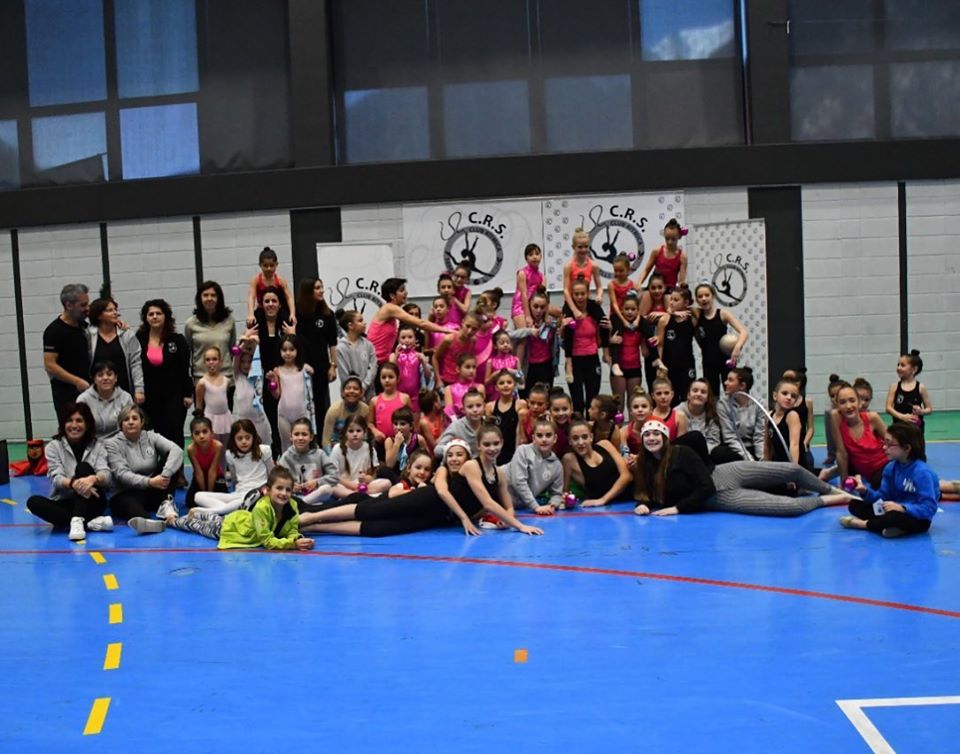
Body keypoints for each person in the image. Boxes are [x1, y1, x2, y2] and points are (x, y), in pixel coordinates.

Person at [297, 426, 544, 537]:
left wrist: (506, 519)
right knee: (372, 510)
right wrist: (520, 526)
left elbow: (506, 504)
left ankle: (316, 528)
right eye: (487, 444)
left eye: (496, 444)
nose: (492, 448)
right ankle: (310, 517)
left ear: (502, 444)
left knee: (379, 530)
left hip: (437, 517)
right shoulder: (471, 466)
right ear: (478, 446)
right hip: (428, 500)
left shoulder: (499, 473)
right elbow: (487, 502)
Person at [633, 420, 854, 517]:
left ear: (665, 437)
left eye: (656, 434)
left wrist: (678, 508)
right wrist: (642, 505)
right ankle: (829, 500)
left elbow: (705, 485)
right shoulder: (644, 467)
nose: (652, 438)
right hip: (718, 498)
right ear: (642, 441)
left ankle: (831, 489)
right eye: (647, 435)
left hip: (725, 473)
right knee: (789, 508)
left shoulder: (681, 452)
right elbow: (648, 495)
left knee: (790, 470)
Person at [147, 466, 315, 552]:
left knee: (211, 518)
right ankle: (171, 519)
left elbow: (292, 529)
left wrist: (297, 538)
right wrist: (292, 544)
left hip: (234, 521)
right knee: (195, 526)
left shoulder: (292, 506)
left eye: (288, 490)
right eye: (279, 488)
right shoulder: (262, 508)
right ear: (267, 490)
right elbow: (267, 541)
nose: (284, 493)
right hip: (228, 530)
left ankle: (197, 513)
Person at [26, 402, 113, 541]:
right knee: (33, 502)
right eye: (69, 421)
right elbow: (56, 478)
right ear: (63, 424)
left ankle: (77, 520)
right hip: (66, 500)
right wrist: (73, 484)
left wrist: (93, 479)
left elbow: (106, 474)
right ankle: (89, 523)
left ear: (87, 424)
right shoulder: (53, 447)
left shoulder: (97, 445)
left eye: (79, 420)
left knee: (83, 467)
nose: (74, 425)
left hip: (93, 500)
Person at [840, 422, 939, 537]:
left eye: (889, 444)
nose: (884, 447)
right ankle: (895, 528)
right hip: (892, 509)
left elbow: (929, 508)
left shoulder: (922, 473)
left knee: (893, 517)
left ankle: (864, 524)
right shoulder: (890, 468)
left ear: (906, 448)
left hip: (917, 518)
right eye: (884, 443)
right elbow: (882, 497)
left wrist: (903, 508)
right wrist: (865, 491)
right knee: (855, 505)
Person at [106, 405, 183, 529]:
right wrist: (150, 482)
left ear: (142, 422)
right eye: (126, 419)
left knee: (171, 459)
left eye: (134, 418)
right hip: (126, 492)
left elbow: (177, 450)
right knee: (133, 509)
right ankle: (149, 523)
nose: (131, 422)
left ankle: (165, 503)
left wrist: (165, 475)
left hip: (151, 490)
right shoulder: (112, 444)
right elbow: (122, 474)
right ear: (121, 424)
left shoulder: (151, 436)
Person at [136, 299, 193, 455]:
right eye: (151, 314)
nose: (155, 317)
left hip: (174, 396)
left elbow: (185, 369)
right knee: (154, 434)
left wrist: (188, 393)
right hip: (149, 397)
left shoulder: (177, 340)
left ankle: (177, 467)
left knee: (174, 431)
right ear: (145, 318)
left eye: (158, 313)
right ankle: (158, 467)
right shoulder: (139, 340)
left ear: (165, 316)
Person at [190, 419, 273, 516]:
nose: (244, 441)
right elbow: (234, 479)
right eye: (240, 438)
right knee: (198, 496)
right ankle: (230, 510)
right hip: (239, 494)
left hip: (258, 493)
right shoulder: (230, 455)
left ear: (253, 437)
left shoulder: (264, 450)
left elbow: (272, 474)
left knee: (245, 500)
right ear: (234, 440)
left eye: (247, 437)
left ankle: (211, 511)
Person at [367, 277, 451, 367]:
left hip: (381, 362)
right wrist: (448, 331)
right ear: (392, 296)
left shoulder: (392, 313)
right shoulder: (389, 308)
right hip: (372, 363)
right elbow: (422, 323)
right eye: (402, 290)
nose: (406, 293)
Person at [43, 283, 92, 420]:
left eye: (87, 304)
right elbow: (50, 365)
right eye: (83, 305)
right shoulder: (54, 331)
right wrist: (77, 381)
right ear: (69, 305)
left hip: (88, 390)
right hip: (67, 394)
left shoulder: (84, 327)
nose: (87, 309)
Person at [562, 277, 610, 415]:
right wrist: (562, 327)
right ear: (572, 295)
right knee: (578, 402)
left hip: (592, 359)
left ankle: (591, 425)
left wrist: (606, 350)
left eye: (582, 293)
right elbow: (563, 338)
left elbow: (603, 331)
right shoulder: (568, 309)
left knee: (592, 401)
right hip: (574, 360)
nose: (579, 297)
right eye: (576, 294)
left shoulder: (594, 309)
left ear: (588, 293)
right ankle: (578, 425)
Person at [831, 384, 892, 489]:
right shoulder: (837, 420)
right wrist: (843, 483)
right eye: (842, 402)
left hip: (883, 466)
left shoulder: (872, 418)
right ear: (838, 406)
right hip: (862, 469)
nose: (848, 406)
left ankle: (830, 472)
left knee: (878, 485)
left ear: (859, 403)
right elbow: (841, 453)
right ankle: (830, 472)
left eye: (852, 400)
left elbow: (893, 442)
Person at [561, 419, 632, 507]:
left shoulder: (605, 445)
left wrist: (603, 500)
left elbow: (627, 476)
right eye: (575, 438)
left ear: (591, 437)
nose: (581, 442)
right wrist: (566, 499)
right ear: (569, 441)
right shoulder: (569, 460)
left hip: (631, 498)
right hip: (604, 509)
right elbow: (564, 492)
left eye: (584, 437)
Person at [85, 297, 143, 403]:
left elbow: (135, 363)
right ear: (99, 315)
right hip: (97, 394)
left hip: (124, 391)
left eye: (115, 310)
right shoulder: (89, 335)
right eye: (110, 310)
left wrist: (139, 390)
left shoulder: (127, 335)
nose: (116, 313)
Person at [693, 283, 748, 397]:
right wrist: (672, 310)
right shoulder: (697, 315)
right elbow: (679, 305)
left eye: (707, 295)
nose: (704, 298)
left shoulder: (723, 314)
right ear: (697, 300)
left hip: (726, 361)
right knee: (712, 396)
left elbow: (744, 332)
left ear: (713, 296)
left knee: (732, 393)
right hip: (708, 362)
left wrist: (737, 348)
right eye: (700, 296)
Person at [296, 277, 338, 422]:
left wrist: (333, 366)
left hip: (321, 366)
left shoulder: (327, 314)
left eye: (322, 287)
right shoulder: (297, 313)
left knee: (320, 404)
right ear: (308, 291)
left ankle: (321, 434)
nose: (321, 291)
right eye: (317, 288)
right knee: (302, 403)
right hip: (301, 365)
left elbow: (332, 343)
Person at [266, 334, 315, 453]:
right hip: (284, 414)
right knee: (286, 446)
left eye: (292, 349)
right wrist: (272, 382)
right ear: (280, 352)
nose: (288, 353)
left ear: (297, 350)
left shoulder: (303, 368)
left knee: (303, 445)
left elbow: (312, 373)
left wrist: (310, 371)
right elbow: (276, 395)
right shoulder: (277, 370)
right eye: (284, 350)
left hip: (301, 413)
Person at [507, 417, 563, 515]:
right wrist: (536, 507)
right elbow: (519, 482)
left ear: (555, 438)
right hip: (496, 495)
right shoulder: (523, 450)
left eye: (548, 435)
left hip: (519, 507)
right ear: (533, 438)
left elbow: (557, 494)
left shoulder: (557, 465)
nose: (544, 439)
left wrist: (552, 506)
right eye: (539, 435)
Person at [277, 417, 338, 507]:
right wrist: (291, 486)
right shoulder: (286, 457)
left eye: (304, 434)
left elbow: (335, 476)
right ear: (291, 437)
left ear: (311, 437)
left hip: (317, 495)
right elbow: (278, 480)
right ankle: (303, 504)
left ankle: (301, 505)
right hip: (295, 496)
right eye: (296, 434)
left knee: (327, 489)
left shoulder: (320, 454)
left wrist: (317, 482)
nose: (300, 438)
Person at [327, 414, 391, 498]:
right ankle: (357, 495)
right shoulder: (337, 449)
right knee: (331, 487)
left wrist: (368, 478)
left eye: (358, 431)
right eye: (351, 431)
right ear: (345, 432)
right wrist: (352, 486)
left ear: (364, 432)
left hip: (363, 486)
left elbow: (373, 474)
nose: (355, 434)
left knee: (387, 483)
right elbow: (333, 475)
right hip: (344, 485)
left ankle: (359, 494)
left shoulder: (369, 448)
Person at [184, 281, 237, 382]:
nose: (209, 298)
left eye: (213, 295)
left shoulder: (229, 321)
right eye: (205, 295)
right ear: (200, 298)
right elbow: (188, 352)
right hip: (201, 378)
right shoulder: (190, 324)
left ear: (219, 298)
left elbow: (232, 349)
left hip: (226, 377)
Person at [654, 286, 696, 406]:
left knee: (687, 396)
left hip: (687, 365)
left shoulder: (692, 318)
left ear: (686, 302)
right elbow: (660, 345)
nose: (671, 302)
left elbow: (701, 309)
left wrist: (676, 312)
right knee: (670, 399)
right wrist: (659, 365)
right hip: (669, 365)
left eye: (676, 300)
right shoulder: (664, 320)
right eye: (671, 299)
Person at [714, 367, 766, 464]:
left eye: (730, 380)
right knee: (719, 453)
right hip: (734, 448)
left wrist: (762, 460)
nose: (725, 383)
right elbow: (730, 437)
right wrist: (750, 461)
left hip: (753, 447)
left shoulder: (759, 403)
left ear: (742, 386)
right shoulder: (722, 405)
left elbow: (760, 436)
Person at [232, 331, 273, 448]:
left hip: (260, 422)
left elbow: (260, 357)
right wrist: (244, 343)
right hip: (242, 422)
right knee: (244, 450)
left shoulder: (258, 376)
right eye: (243, 362)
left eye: (249, 362)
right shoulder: (238, 376)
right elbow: (236, 357)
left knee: (263, 450)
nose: (246, 365)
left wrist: (256, 343)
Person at [77, 360, 133, 440]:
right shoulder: (83, 400)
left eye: (109, 374)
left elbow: (131, 425)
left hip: (121, 441)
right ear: (94, 379)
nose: (105, 378)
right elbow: (80, 427)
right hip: (92, 442)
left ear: (116, 378)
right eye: (100, 375)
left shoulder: (126, 397)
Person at [608, 290, 644, 408]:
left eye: (633, 309)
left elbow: (646, 347)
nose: (629, 312)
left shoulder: (641, 325)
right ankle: (618, 421)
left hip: (635, 368)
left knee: (634, 404)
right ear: (621, 310)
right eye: (627, 309)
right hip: (619, 368)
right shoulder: (616, 323)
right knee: (619, 404)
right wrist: (609, 340)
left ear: (638, 311)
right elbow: (602, 341)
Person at [511, 243, 544, 367]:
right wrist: (528, 316)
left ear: (541, 256)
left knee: (530, 340)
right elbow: (524, 295)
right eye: (531, 255)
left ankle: (525, 368)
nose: (534, 257)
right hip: (519, 306)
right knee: (523, 338)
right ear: (526, 258)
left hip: (531, 306)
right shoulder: (522, 273)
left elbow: (542, 296)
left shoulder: (541, 276)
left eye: (537, 254)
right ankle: (517, 370)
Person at [390, 323, 432, 420]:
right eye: (403, 337)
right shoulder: (393, 356)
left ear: (415, 339)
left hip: (415, 397)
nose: (407, 340)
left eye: (410, 337)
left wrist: (424, 363)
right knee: (398, 421)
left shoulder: (418, 355)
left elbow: (428, 376)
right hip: (398, 395)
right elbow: (390, 370)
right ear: (398, 340)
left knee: (415, 424)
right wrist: (396, 357)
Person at [246, 246, 296, 327]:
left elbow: (289, 297)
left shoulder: (280, 280)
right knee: (252, 322)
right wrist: (250, 314)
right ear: (260, 265)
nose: (269, 268)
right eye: (265, 266)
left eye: (272, 265)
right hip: (262, 309)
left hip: (277, 309)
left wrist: (292, 314)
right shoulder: (256, 280)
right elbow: (251, 297)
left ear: (276, 265)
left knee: (289, 321)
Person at [765, 378, 809, 469]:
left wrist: (793, 469)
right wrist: (765, 465)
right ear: (775, 396)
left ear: (795, 402)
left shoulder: (792, 416)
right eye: (784, 393)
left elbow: (794, 445)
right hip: (777, 464)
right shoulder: (769, 416)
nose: (789, 398)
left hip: (794, 464)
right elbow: (767, 445)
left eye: (793, 396)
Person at [184, 416, 227, 509]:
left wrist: (209, 495)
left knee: (224, 500)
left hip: (216, 476)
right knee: (190, 502)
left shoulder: (218, 446)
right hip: (200, 476)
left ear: (212, 433)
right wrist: (204, 494)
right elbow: (198, 472)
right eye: (197, 433)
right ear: (192, 437)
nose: (201, 436)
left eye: (205, 432)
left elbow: (213, 471)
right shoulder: (191, 449)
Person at [885, 350, 932, 435]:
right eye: (898, 365)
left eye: (903, 365)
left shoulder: (921, 387)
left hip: (916, 431)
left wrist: (921, 411)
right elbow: (888, 408)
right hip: (898, 429)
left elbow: (929, 409)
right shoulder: (894, 387)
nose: (899, 368)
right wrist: (902, 417)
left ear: (914, 369)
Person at [485, 370, 525, 465]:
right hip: (496, 450)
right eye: (501, 383)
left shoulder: (520, 404)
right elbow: (488, 432)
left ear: (514, 385)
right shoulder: (490, 407)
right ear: (496, 387)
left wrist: (517, 454)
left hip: (513, 449)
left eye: (509, 382)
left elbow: (520, 432)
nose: (506, 385)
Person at [336, 310, 378, 401]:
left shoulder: (368, 345)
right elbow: (344, 374)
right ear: (350, 325)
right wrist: (355, 389)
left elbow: (373, 367)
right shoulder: (341, 348)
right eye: (360, 321)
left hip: (369, 395)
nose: (364, 323)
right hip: (351, 396)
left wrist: (364, 386)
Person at [195, 346, 232, 445]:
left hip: (225, 418)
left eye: (214, 359)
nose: (211, 362)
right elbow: (199, 406)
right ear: (204, 363)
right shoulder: (202, 383)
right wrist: (200, 423)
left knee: (225, 446)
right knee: (212, 447)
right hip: (210, 419)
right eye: (208, 360)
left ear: (221, 361)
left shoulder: (226, 381)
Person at [636, 218, 687, 290]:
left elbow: (681, 280)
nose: (670, 242)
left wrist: (682, 286)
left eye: (673, 239)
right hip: (655, 288)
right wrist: (639, 283)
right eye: (667, 238)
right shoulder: (657, 251)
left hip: (670, 290)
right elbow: (646, 270)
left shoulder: (682, 257)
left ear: (679, 236)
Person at [563, 228, 603, 318]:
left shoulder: (593, 265)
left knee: (604, 322)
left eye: (586, 246)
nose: (583, 250)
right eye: (580, 247)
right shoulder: (568, 266)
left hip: (586, 301)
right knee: (568, 324)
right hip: (571, 302)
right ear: (573, 247)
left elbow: (599, 287)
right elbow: (566, 290)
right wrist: (574, 310)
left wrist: (599, 296)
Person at [321, 375, 370, 450]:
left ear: (361, 393)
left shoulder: (366, 410)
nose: (351, 391)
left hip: (359, 449)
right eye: (348, 388)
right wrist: (331, 456)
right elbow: (326, 440)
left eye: (356, 388)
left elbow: (368, 436)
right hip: (337, 449)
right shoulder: (334, 410)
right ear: (342, 392)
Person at [677, 378, 722, 456]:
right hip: (683, 454)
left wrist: (701, 452)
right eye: (695, 391)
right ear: (688, 395)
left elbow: (713, 441)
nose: (698, 394)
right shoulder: (677, 412)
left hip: (705, 454)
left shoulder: (712, 414)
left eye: (703, 392)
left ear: (707, 398)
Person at [435, 388, 485, 458]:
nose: (475, 410)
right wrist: (457, 450)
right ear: (463, 409)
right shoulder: (456, 426)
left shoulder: (489, 424)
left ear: (484, 406)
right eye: (470, 407)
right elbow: (437, 450)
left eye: (478, 405)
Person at [433, 313, 480, 386]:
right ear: (462, 322)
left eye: (474, 329)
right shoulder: (449, 339)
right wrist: (438, 379)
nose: (469, 331)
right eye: (467, 326)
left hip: (463, 380)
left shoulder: (473, 341)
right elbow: (435, 358)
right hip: (447, 380)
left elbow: (469, 359)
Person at [382, 406, 428, 476]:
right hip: (395, 475)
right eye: (395, 424)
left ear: (411, 426)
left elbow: (427, 459)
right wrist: (397, 444)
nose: (398, 427)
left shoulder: (418, 439)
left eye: (403, 424)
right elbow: (389, 465)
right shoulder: (389, 441)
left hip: (414, 474)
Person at [443, 353, 484, 422]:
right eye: (467, 367)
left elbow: (481, 408)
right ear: (458, 369)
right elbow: (449, 411)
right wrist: (457, 424)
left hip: (475, 421)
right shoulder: (449, 389)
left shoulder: (480, 387)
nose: (471, 371)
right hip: (456, 423)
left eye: (474, 367)